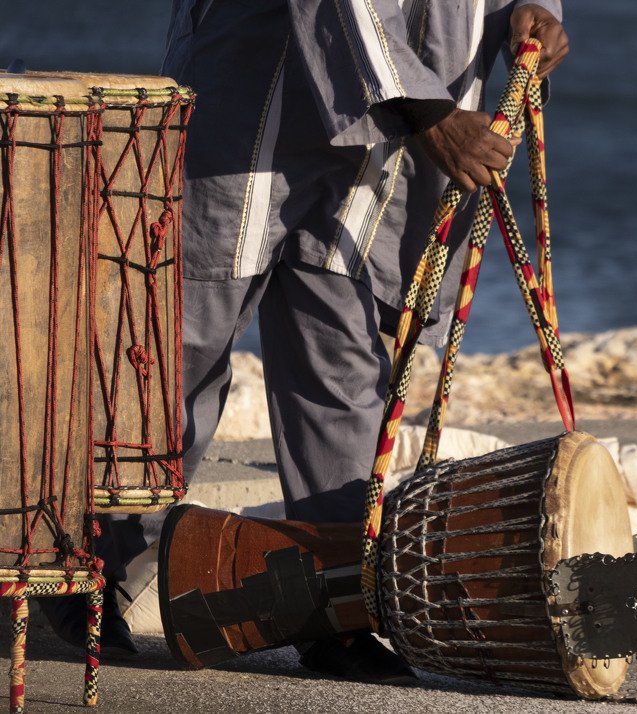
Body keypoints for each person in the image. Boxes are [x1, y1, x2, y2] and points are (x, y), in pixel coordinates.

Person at [44, 0, 568, 680]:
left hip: (389, 141)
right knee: (178, 349)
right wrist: (426, 111)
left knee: (344, 363)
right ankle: (82, 570)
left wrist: (536, 10)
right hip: (262, 89)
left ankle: (332, 606)